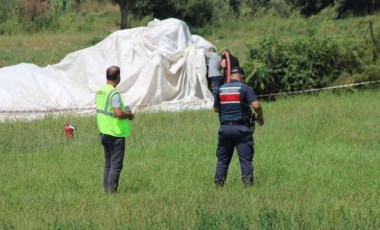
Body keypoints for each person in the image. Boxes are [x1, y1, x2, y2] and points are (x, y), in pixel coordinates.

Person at [213, 66, 264, 187]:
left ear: (230, 76)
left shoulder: (220, 89)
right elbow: (256, 105)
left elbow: (216, 109)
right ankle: (248, 186)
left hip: (224, 129)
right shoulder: (245, 88)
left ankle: (219, 186)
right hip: (242, 129)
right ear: (242, 76)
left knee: (223, 160)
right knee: (245, 160)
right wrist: (260, 116)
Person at [96, 66, 134, 193]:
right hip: (115, 133)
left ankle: (106, 190)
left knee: (108, 163)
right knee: (116, 164)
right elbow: (118, 113)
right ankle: (111, 192)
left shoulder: (101, 90)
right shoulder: (114, 93)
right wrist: (129, 114)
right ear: (118, 77)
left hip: (104, 131)